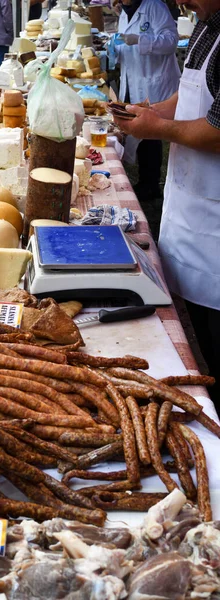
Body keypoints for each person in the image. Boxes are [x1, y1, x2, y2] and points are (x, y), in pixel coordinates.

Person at [113, 0, 220, 403]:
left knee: (215, 335)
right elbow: (188, 94)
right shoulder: (208, 26)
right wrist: (151, 110)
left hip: (215, 218)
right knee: (197, 327)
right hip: (190, 204)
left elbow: (218, 129)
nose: (181, 1)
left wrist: (158, 127)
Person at [116, 0, 180, 201]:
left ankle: (150, 185)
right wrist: (113, 50)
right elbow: (124, 45)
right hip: (132, 78)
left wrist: (140, 40)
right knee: (135, 127)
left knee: (151, 134)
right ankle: (142, 180)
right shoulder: (123, 13)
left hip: (153, 80)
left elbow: (171, 41)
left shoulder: (154, 6)